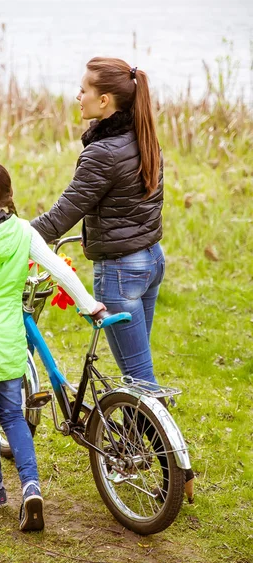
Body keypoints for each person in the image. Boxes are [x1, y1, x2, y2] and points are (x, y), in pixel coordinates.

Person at [31, 56, 194, 497]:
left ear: (104, 101)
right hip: (151, 262)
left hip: (120, 273)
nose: (77, 96)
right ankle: (160, 460)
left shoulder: (102, 152)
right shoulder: (146, 138)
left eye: (83, 89)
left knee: (139, 379)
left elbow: (64, 213)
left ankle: (176, 470)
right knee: (138, 373)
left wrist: (15, 237)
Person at [0, 159, 105, 532]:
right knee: (13, 416)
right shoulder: (23, 232)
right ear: (8, 195)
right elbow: (61, 271)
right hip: (7, 340)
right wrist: (89, 304)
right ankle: (31, 487)